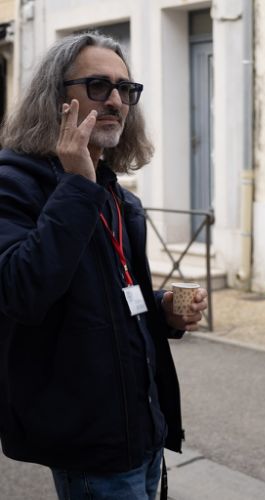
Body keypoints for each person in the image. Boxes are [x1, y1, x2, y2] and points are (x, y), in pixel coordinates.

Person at [0, 32, 208, 500]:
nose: (115, 100)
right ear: (56, 99)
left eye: (125, 89)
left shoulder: (115, 194)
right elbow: (20, 292)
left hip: (142, 430)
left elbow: (108, 300)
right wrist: (76, 184)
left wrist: (162, 310)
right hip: (89, 444)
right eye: (98, 85)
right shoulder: (14, 183)